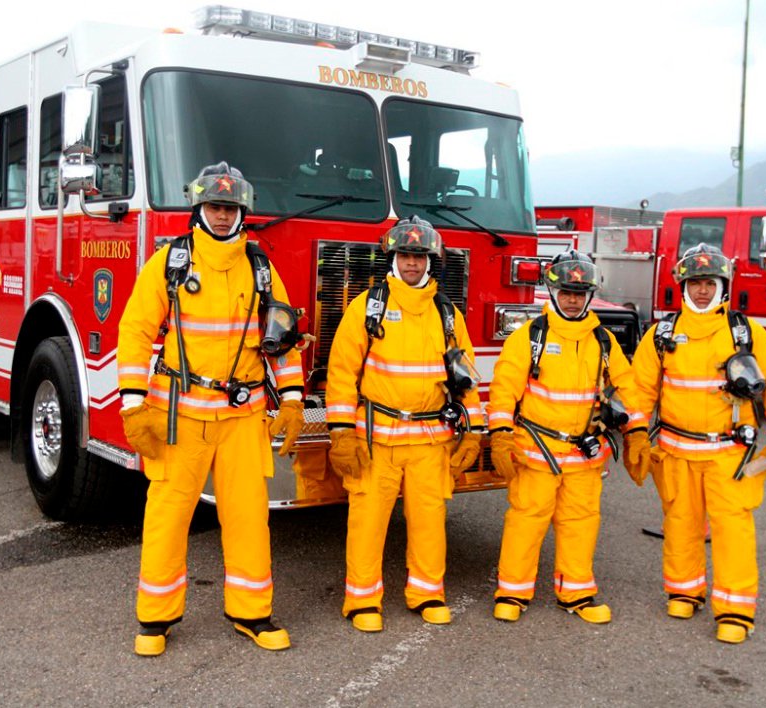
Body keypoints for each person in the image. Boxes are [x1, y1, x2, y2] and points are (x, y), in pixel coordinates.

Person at [116, 162, 306, 656]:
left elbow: (281, 340)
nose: (223, 216)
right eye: (215, 207)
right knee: (168, 514)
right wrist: (134, 405)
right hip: (181, 414)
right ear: (199, 208)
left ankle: (252, 613)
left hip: (243, 417)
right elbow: (135, 332)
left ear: (243, 212)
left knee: (247, 517)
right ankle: (155, 620)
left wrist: (292, 399)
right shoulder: (170, 262)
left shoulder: (260, 267)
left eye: (231, 208)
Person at [628, 243, 766, 644]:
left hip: (729, 456)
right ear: (682, 286)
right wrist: (635, 432)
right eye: (695, 283)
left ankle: (735, 610)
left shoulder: (747, 333)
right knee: (681, 526)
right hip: (675, 453)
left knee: (732, 531)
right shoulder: (662, 335)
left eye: (710, 282)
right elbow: (639, 392)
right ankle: (684, 591)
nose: (702, 290)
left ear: (724, 285)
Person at [325, 216, 484, 632]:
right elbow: (342, 373)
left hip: (431, 441)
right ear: (392, 257)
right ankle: (361, 601)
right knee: (368, 521)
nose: (412, 263)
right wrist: (341, 432)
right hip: (377, 438)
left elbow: (464, 376)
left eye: (419, 256)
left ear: (431, 260)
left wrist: (476, 430)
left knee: (429, 521)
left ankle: (427, 593)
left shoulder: (447, 314)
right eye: (405, 255)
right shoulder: (368, 306)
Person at [487, 249, 647, 624]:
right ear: (553, 291)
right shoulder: (530, 337)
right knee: (525, 523)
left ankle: (576, 593)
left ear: (589, 295)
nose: (573, 299)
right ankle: (512, 593)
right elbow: (503, 389)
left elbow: (627, 391)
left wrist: (637, 433)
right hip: (537, 453)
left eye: (580, 292)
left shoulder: (603, 341)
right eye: (566, 292)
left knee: (581, 524)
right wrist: (500, 435)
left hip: (584, 458)